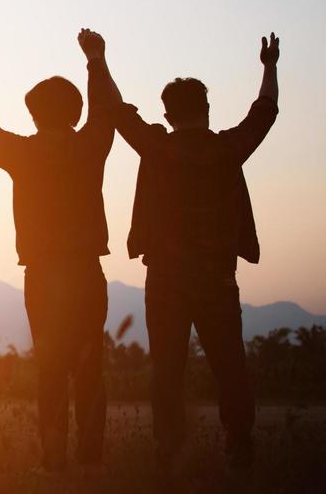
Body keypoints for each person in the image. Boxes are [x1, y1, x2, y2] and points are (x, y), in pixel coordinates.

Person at [94, 33, 281, 471]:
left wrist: (98, 59)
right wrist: (269, 66)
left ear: (167, 114)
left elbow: (118, 112)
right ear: (208, 109)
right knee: (230, 366)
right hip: (217, 277)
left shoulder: (158, 147)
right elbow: (265, 112)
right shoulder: (227, 149)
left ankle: (168, 449)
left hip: (165, 279)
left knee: (167, 369)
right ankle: (239, 445)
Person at [0, 28, 116, 472]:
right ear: (76, 112)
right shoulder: (91, 144)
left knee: (51, 367)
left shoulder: (23, 153)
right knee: (88, 366)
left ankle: (54, 458)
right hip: (85, 272)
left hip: (42, 275)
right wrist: (95, 61)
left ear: (34, 114)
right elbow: (106, 111)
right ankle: (90, 457)